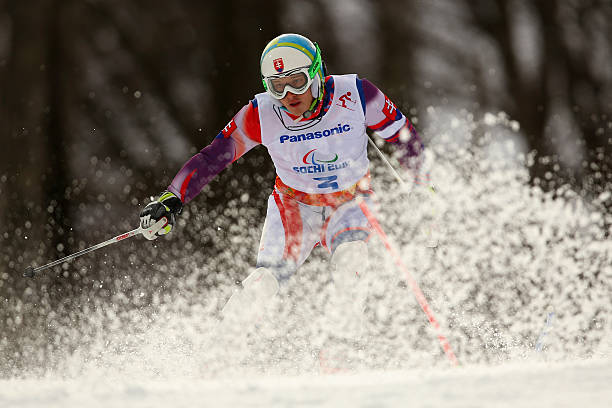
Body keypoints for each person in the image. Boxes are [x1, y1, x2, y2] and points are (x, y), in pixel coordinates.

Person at [139, 33, 423, 335]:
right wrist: (171, 198)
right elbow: (212, 158)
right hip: (294, 207)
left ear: (317, 73)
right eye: (277, 85)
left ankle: (341, 346)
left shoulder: (357, 94)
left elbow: (405, 137)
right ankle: (219, 349)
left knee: (352, 259)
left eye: (297, 80)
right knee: (266, 281)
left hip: (351, 201)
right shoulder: (261, 114)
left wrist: (423, 187)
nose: (288, 93)